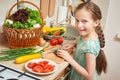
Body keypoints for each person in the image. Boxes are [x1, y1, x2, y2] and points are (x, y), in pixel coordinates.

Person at [56, 1, 107, 80]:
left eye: (84, 21)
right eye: (77, 20)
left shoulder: (90, 46)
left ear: (96, 22)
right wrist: (73, 43)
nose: (79, 25)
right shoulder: (87, 34)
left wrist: (69, 59)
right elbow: (82, 41)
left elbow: (89, 76)